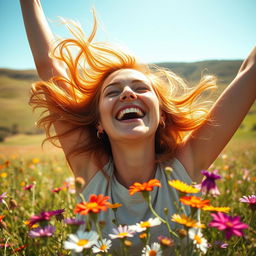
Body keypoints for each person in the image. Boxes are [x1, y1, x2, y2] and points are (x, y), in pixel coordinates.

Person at [20, 0, 256, 254]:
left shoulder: (184, 168)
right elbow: (50, 66)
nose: (128, 93)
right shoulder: (91, 174)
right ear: (99, 122)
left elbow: (250, 72)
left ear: (161, 114)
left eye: (141, 88)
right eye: (113, 92)